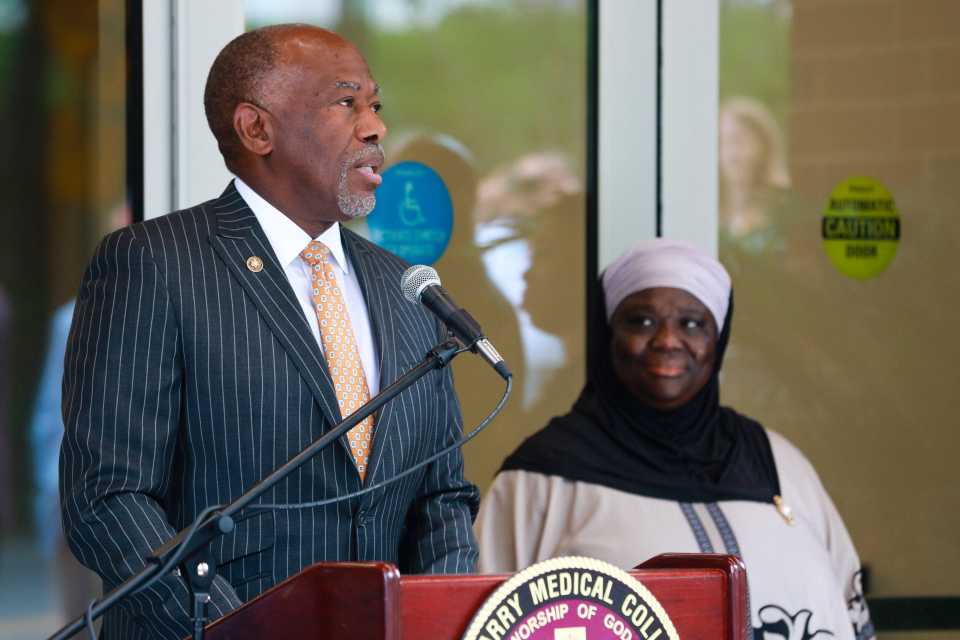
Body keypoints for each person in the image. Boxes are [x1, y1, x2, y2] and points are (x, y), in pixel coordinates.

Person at [60, 24, 479, 639]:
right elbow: (108, 496)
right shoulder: (154, 263)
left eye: (376, 105)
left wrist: (437, 621)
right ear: (257, 129)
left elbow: (442, 497)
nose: (375, 127)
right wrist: (239, 629)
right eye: (346, 103)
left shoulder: (407, 286)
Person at [475, 239, 875, 640]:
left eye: (691, 324)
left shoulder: (775, 462)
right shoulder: (542, 479)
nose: (667, 340)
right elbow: (482, 620)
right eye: (643, 322)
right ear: (608, 334)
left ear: (716, 341)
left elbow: (848, 605)